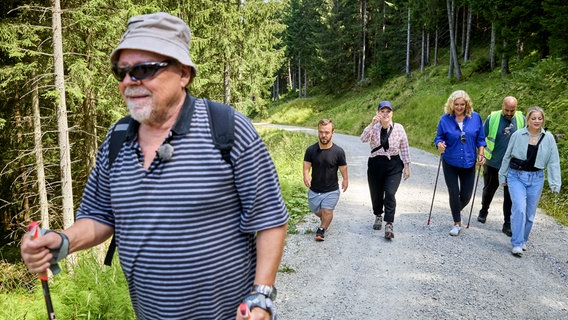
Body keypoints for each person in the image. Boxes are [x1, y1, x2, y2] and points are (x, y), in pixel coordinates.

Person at [20, 12, 288, 320]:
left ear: (184, 73)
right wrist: (63, 241)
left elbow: (269, 219)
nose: (129, 82)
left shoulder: (227, 129)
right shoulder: (117, 139)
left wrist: (261, 295)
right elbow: (100, 215)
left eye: (144, 69)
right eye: (121, 72)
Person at [499, 106, 561, 257]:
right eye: (534, 118)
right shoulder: (518, 135)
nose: (537, 121)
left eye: (540, 118)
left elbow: (553, 162)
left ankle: (523, 239)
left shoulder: (549, 138)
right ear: (528, 120)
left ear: (543, 120)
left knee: (529, 214)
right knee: (519, 208)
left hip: (536, 178)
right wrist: (503, 175)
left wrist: (554, 183)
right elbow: (507, 156)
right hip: (516, 176)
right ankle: (517, 243)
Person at [434, 90, 486, 236]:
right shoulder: (445, 120)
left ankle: (455, 209)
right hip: (450, 160)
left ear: (467, 104)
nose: (459, 107)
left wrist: (481, 154)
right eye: (456, 104)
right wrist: (439, 144)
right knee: (453, 192)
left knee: (466, 196)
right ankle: (457, 223)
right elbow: (439, 138)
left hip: (469, 161)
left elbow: (481, 139)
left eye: (462, 104)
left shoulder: (475, 118)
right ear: (451, 104)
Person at [360, 101, 411, 239]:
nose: (385, 114)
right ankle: (378, 214)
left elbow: (404, 147)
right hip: (376, 163)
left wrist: (406, 166)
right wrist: (371, 124)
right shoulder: (373, 128)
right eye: (382, 111)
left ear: (392, 113)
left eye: (388, 111)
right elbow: (363, 139)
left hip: (394, 163)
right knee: (376, 193)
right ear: (378, 113)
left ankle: (389, 223)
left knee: (389, 192)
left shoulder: (399, 128)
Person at [477, 96, 525, 237]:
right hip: (493, 162)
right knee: (489, 189)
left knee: (509, 195)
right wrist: (480, 154)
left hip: (512, 165)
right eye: (507, 110)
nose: (509, 113)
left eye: (512, 110)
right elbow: (481, 137)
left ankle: (507, 224)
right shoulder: (493, 118)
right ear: (502, 106)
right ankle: (484, 210)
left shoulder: (521, 118)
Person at [303, 119, 348, 241]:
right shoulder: (311, 150)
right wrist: (306, 175)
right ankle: (326, 217)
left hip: (331, 190)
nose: (324, 135)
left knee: (327, 211)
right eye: (321, 132)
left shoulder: (338, 151)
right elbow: (306, 166)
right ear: (318, 132)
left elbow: (343, 167)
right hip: (315, 190)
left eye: (327, 132)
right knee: (316, 210)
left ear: (332, 132)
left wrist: (345, 179)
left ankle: (321, 229)